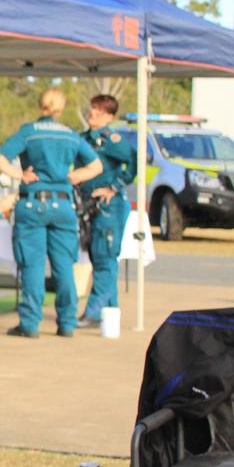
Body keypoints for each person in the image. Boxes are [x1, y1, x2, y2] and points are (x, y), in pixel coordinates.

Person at [0, 88, 102, 338]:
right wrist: (74, 176)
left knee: (32, 264)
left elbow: (0, 161)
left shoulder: (29, 132)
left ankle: (30, 324)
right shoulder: (70, 136)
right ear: (61, 109)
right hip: (63, 205)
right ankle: (67, 323)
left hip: (33, 203)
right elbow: (96, 166)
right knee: (64, 265)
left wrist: (20, 175)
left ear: (40, 105)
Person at [78, 94, 136, 327]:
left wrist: (113, 187)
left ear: (109, 116)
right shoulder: (84, 138)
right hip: (89, 205)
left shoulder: (111, 140)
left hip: (108, 207)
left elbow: (133, 162)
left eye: (99, 111)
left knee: (104, 256)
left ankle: (94, 312)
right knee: (99, 256)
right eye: (92, 109)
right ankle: (109, 312)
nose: (93, 114)